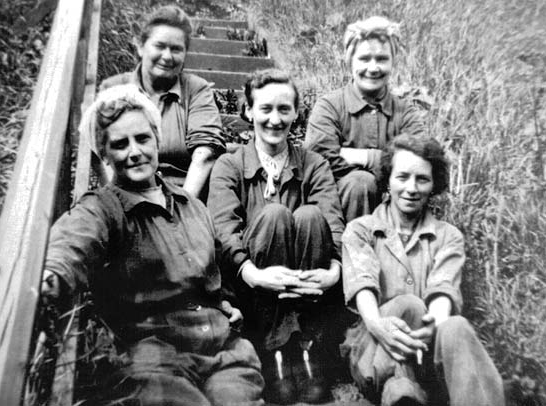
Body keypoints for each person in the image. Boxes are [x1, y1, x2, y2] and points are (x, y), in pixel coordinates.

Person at [41, 84, 264, 406]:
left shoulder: (191, 205)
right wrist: (51, 274)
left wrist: (227, 302)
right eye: (119, 144)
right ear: (104, 154)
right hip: (153, 356)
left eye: (142, 138)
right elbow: (70, 245)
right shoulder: (103, 208)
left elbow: (214, 271)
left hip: (222, 350)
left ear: (157, 140)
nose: (134, 151)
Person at [208, 69, 350, 404]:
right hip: (254, 289)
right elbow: (223, 231)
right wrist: (253, 273)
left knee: (311, 215)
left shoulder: (313, 164)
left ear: (297, 113)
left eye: (284, 109)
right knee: (273, 215)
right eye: (266, 109)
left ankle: (307, 348)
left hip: (309, 286)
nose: (275, 119)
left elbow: (334, 221)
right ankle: (277, 351)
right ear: (248, 112)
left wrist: (334, 269)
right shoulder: (229, 165)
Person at [340, 134, 505, 406]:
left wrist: (434, 323)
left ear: (434, 184)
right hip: (373, 350)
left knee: (457, 325)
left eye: (422, 179)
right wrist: (376, 324)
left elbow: (443, 287)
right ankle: (402, 393)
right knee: (408, 304)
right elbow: (363, 284)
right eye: (402, 177)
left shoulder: (447, 236)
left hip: (425, 351)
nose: (411, 188)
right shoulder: (361, 230)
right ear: (388, 179)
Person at [97, 5, 225, 200]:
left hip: (183, 195)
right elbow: (100, 152)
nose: (167, 56)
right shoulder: (113, 88)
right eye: (160, 46)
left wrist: (183, 207)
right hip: (125, 196)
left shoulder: (196, 89)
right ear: (140, 47)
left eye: (176, 49)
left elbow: (205, 154)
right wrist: (119, 202)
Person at [305, 16, 424, 222]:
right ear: (350, 61)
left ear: (393, 62)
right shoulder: (329, 106)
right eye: (364, 58)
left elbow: (419, 163)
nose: (373, 67)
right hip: (334, 214)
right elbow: (319, 161)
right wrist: (387, 164)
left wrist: (367, 158)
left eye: (381, 59)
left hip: (394, 212)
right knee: (360, 183)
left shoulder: (406, 113)